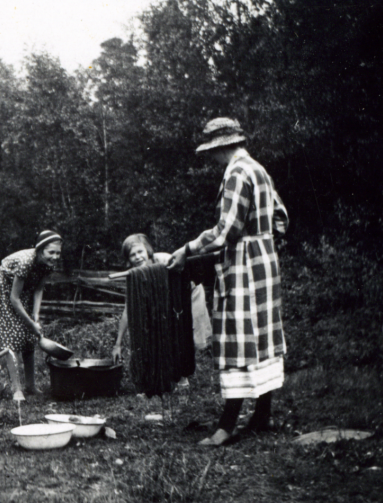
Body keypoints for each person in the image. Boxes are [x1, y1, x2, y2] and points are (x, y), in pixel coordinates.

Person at [167, 118, 289, 446]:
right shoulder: (259, 168)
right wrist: (265, 244)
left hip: (244, 266)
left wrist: (187, 249)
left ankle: (227, 424)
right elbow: (281, 217)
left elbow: (226, 231)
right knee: (262, 335)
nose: (211, 159)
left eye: (212, 152)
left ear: (221, 147)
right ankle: (262, 415)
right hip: (265, 262)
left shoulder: (236, 172)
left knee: (239, 336)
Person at [111, 233, 212, 365]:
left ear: (147, 249)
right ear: (128, 259)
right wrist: (117, 344)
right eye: (132, 255)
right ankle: (171, 368)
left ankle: (183, 371)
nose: (137, 257)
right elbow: (128, 308)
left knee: (186, 332)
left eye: (140, 251)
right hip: (167, 299)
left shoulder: (164, 260)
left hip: (189, 293)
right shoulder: (134, 276)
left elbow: (184, 280)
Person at [0, 230, 63, 399]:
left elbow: (39, 288)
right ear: (40, 249)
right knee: (11, 338)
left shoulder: (50, 263)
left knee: (29, 338)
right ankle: (17, 389)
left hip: (26, 289)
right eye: (51, 252)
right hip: (5, 289)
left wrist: (35, 315)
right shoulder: (26, 262)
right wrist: (30, 323)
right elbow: (14, 298)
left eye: (58, 253)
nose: (55, 256)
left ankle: (31, 386)